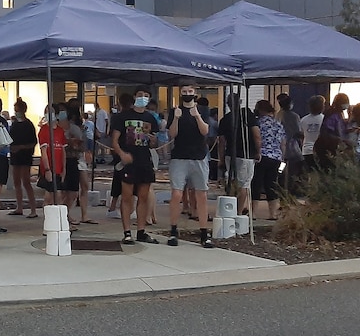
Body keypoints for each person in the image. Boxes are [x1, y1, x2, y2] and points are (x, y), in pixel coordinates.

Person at [166, 84, 213, 248]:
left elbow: (205, 131)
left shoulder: (202, 110)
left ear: (195, 93)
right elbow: (172, 134)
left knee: (201, 195)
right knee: (177, 194)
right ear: (180, 93)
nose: (187, 94)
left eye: (190, 92)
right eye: (184, 91)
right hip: (179, 156)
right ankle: (173, 231)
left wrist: (197, 116)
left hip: (199, 156)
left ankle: (204, 232)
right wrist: (176, 118)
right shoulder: (175, 111)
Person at [111, 87, 159, 244]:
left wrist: (153, 141)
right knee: (127, 197)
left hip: (144, 161)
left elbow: (154, 142)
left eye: (146, 96)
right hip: (128, 162)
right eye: (140, 95)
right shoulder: (122, 117)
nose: (143, 98)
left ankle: (141, 231)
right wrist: (122, 154)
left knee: (143, 197)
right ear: (134, 97)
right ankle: (127, 232)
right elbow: (114, 140)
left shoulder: (151, 118)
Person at [218, 93, 261, 215]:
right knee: (244, 184)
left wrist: (221, 159)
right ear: (240, 102)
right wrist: (258, 151)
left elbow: (221, 141)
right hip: (246, 154)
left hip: (230, 154)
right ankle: (238, 211)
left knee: (232, 181)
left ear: (228, 104)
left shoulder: (225, 119)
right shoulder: (248, 116)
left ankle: (230, 209)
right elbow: (257, 135)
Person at [251, 100, 286, 220]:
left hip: (261, 156)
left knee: (256, 184)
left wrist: (257, 152)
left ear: (260, 110)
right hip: (276, 157)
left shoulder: (258, 123)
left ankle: (253, 213)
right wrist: (282, 157)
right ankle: (273, 214)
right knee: (271, 185)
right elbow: (283, 143)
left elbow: (256, 138)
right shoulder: (278, 124)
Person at [8, 97, 38, 218]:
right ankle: (19, 206)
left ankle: (33, 209)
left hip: (25, 155)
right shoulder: (14, 124)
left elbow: (33, 142)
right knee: (16, 181)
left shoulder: (28, 124)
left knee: (26, 181)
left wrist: (21, 147)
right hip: (15, 155)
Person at [107, 93, 135, 219]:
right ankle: (130, 208)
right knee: (130, 180)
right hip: (127, 151)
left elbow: (110, 133)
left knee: (118, 179)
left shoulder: (116, 117)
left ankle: (114, 206)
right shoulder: (129, 117)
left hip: (119, 151)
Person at [314, 93, 352, 170]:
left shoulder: (338, 113)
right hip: (328, 147)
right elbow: (326, 132)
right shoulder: (332, 114)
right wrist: (341, 139)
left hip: (333, 146)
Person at [276, 93, 303, 191]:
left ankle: (282, 189)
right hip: (292, 148)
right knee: (295, 171)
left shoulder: (278, 115)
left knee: (281, 171)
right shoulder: (294, 116)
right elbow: (298, 133)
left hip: (280, 149)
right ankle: (292, 190)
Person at [301, 95, 326, 172]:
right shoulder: (324, 119)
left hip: (306, 150)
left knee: (309, 173)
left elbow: (301, 134)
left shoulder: (303, 120)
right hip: (320, 151)